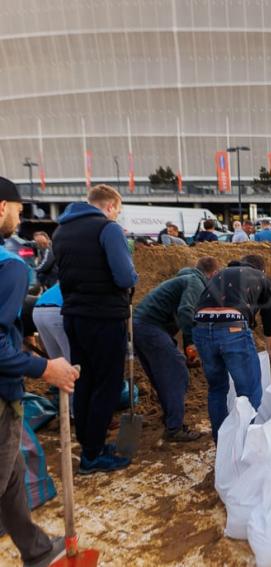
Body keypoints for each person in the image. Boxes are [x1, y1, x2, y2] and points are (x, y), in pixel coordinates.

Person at [0, 178, 79, 567]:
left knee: (11, 472)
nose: (20, 217)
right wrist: (45, 367)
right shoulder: (9, 266)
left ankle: (36, 549)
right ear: (2, 207)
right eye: (17, 208)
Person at [52, 184, 138, 474]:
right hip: (104, 316)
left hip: (74, 315)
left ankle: (90, 443)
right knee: (108, 384)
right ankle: (93, 454)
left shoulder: (61, 231)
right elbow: (124, 276)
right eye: (118, 211)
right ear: (110, 206)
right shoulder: (108, 229)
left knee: (86, 380)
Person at [133, 257, 220, 442]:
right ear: (212, 274)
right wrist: (194, 340)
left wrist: (188, 342)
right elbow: (187, 311)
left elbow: (185, 311)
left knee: (162, 375)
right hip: (150, 327)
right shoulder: (196, 282)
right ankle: (174, 428)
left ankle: (170, 418)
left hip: (140, 327)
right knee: (176, 372)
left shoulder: (185, 279)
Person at [193, 255, 271, 441]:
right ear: (261, 269)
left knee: (217, 389)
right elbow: (269, 318)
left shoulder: (220, 273)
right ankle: (242, 444)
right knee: (249, 392)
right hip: (233, 328)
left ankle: (221, 443)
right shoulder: (261, 278)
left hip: (201, 329)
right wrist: (268, 349)